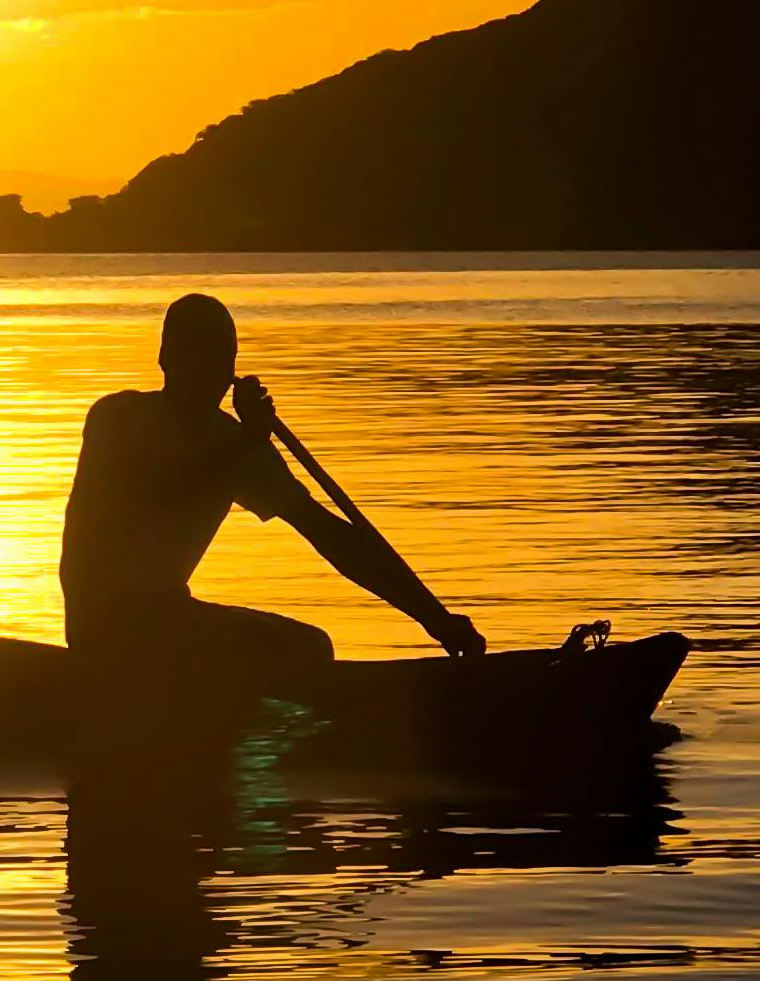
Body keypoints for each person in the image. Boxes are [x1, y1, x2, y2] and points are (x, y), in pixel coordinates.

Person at [61, 294, 483, 710]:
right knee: (301, 651)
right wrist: (249, 440)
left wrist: (434, 617)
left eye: (221, 358)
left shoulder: (235, 443)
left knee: (311, 647)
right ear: (165, 358)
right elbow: (164, 492)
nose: (209, 371)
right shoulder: (118, 419)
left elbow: (331, 536)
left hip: (170, 617)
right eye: (197, 354)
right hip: (104, 626)